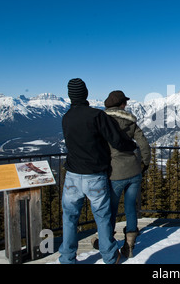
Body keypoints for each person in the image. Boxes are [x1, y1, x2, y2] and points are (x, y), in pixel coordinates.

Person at [59, 78, 136, 264]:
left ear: (70, 96)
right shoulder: (97, 116)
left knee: (69, 218)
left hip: (72, 176)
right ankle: (109, 256)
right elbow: (117, 140)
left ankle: (67, 258)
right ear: (85, 93)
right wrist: (131, 145)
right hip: (94, 175)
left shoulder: (66, 117)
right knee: (102, 217)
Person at [103, 90, 151, 258]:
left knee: (111, 209)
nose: (127, 105)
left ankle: (107, 241)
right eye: (125, 102)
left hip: (114, 172)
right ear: (121, 104)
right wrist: (145, 162)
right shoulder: (131, 122)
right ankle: (129, 244)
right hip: (134, 170)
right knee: (131, 208)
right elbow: (143, 143)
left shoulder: (104, 121)